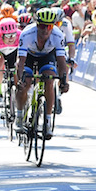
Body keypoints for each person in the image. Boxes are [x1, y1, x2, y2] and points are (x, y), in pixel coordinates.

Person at [14, 8, 70, 139]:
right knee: (25, 83)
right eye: (42, 26)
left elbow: (61, 61)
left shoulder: (58, 35)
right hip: (29, 56)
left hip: (47, 56)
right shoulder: (27, 33)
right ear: (37, 24)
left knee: (49, 81)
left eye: (49, 26)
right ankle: (20, 116)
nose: (45, 30)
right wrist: (19, 80)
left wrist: (63, 81)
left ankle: (47, 121)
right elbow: (20, 61)